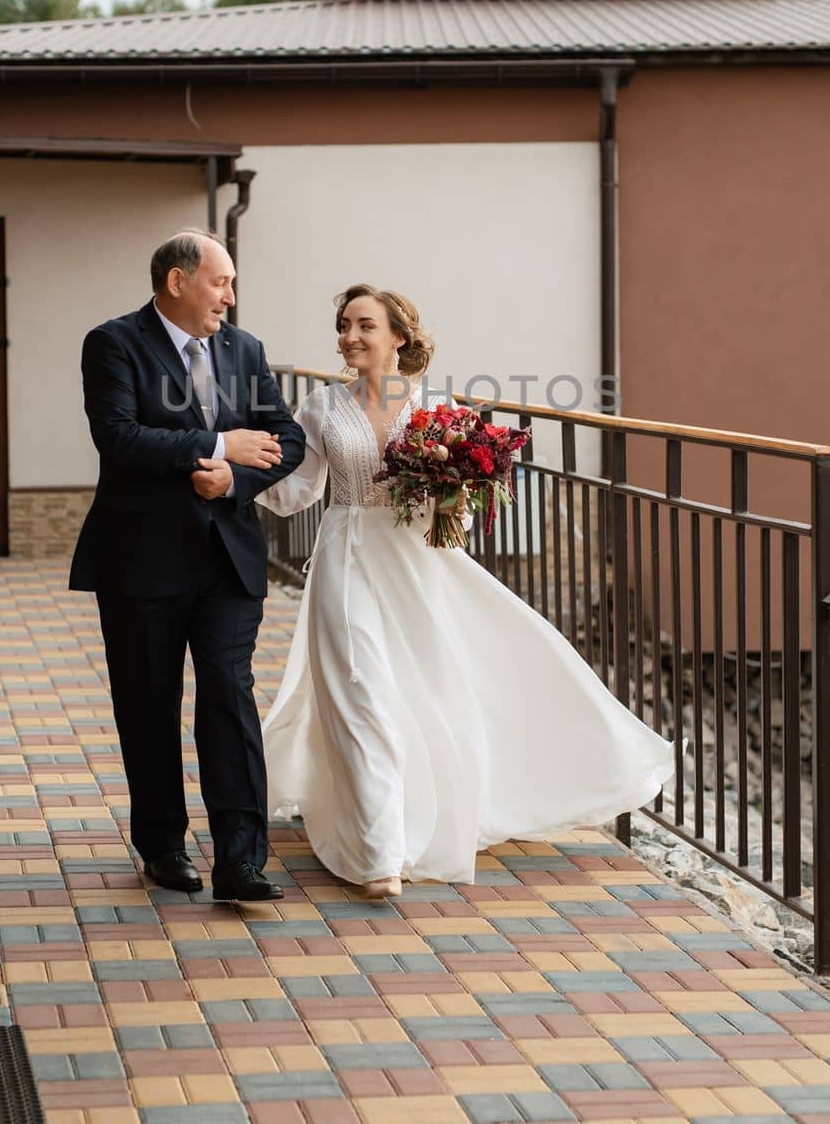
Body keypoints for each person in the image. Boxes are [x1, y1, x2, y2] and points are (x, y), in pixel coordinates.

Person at [256, 283, 675, 899]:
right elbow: (298, 493)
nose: (349, 337)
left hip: (418, 566)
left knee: (423, 697)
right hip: (345, 562)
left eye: (364, 325)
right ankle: (379, 857)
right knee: (360, 695)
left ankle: (430, 812)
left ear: (398, 337)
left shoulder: (438, 408)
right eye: (344, 325)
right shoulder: (320, 408)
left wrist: (453, 491)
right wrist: (241, 469)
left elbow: (464, 507)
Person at [70, 229, 306, 901]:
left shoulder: (244, 349)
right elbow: (118, 436)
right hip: (141, 560)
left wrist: (230, 478)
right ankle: (164, 845)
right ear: (177, 282)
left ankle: (240, 859)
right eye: (220, 281)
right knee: (148, 704)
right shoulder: (112, 343)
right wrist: (216, 443)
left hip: (228, 558)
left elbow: (285, 439)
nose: (230, 296)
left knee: (229, 699)